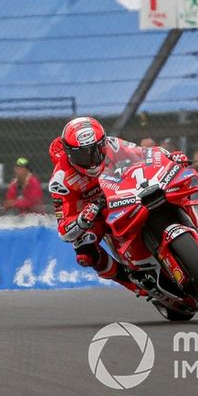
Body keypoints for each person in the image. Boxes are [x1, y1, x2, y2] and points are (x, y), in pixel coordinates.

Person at [48, 116, 151, 296]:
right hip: (100, 214)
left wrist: (169, 157)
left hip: (132, 195)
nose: (91, 160)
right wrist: (82, 219)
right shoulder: (61, 180)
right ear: (69, 154)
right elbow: (64, 230)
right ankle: (130, 282)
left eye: (95, 150)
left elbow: (146, 155)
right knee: (84, 251)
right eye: (82, 155)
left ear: (103, 143)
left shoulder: (114, 145)